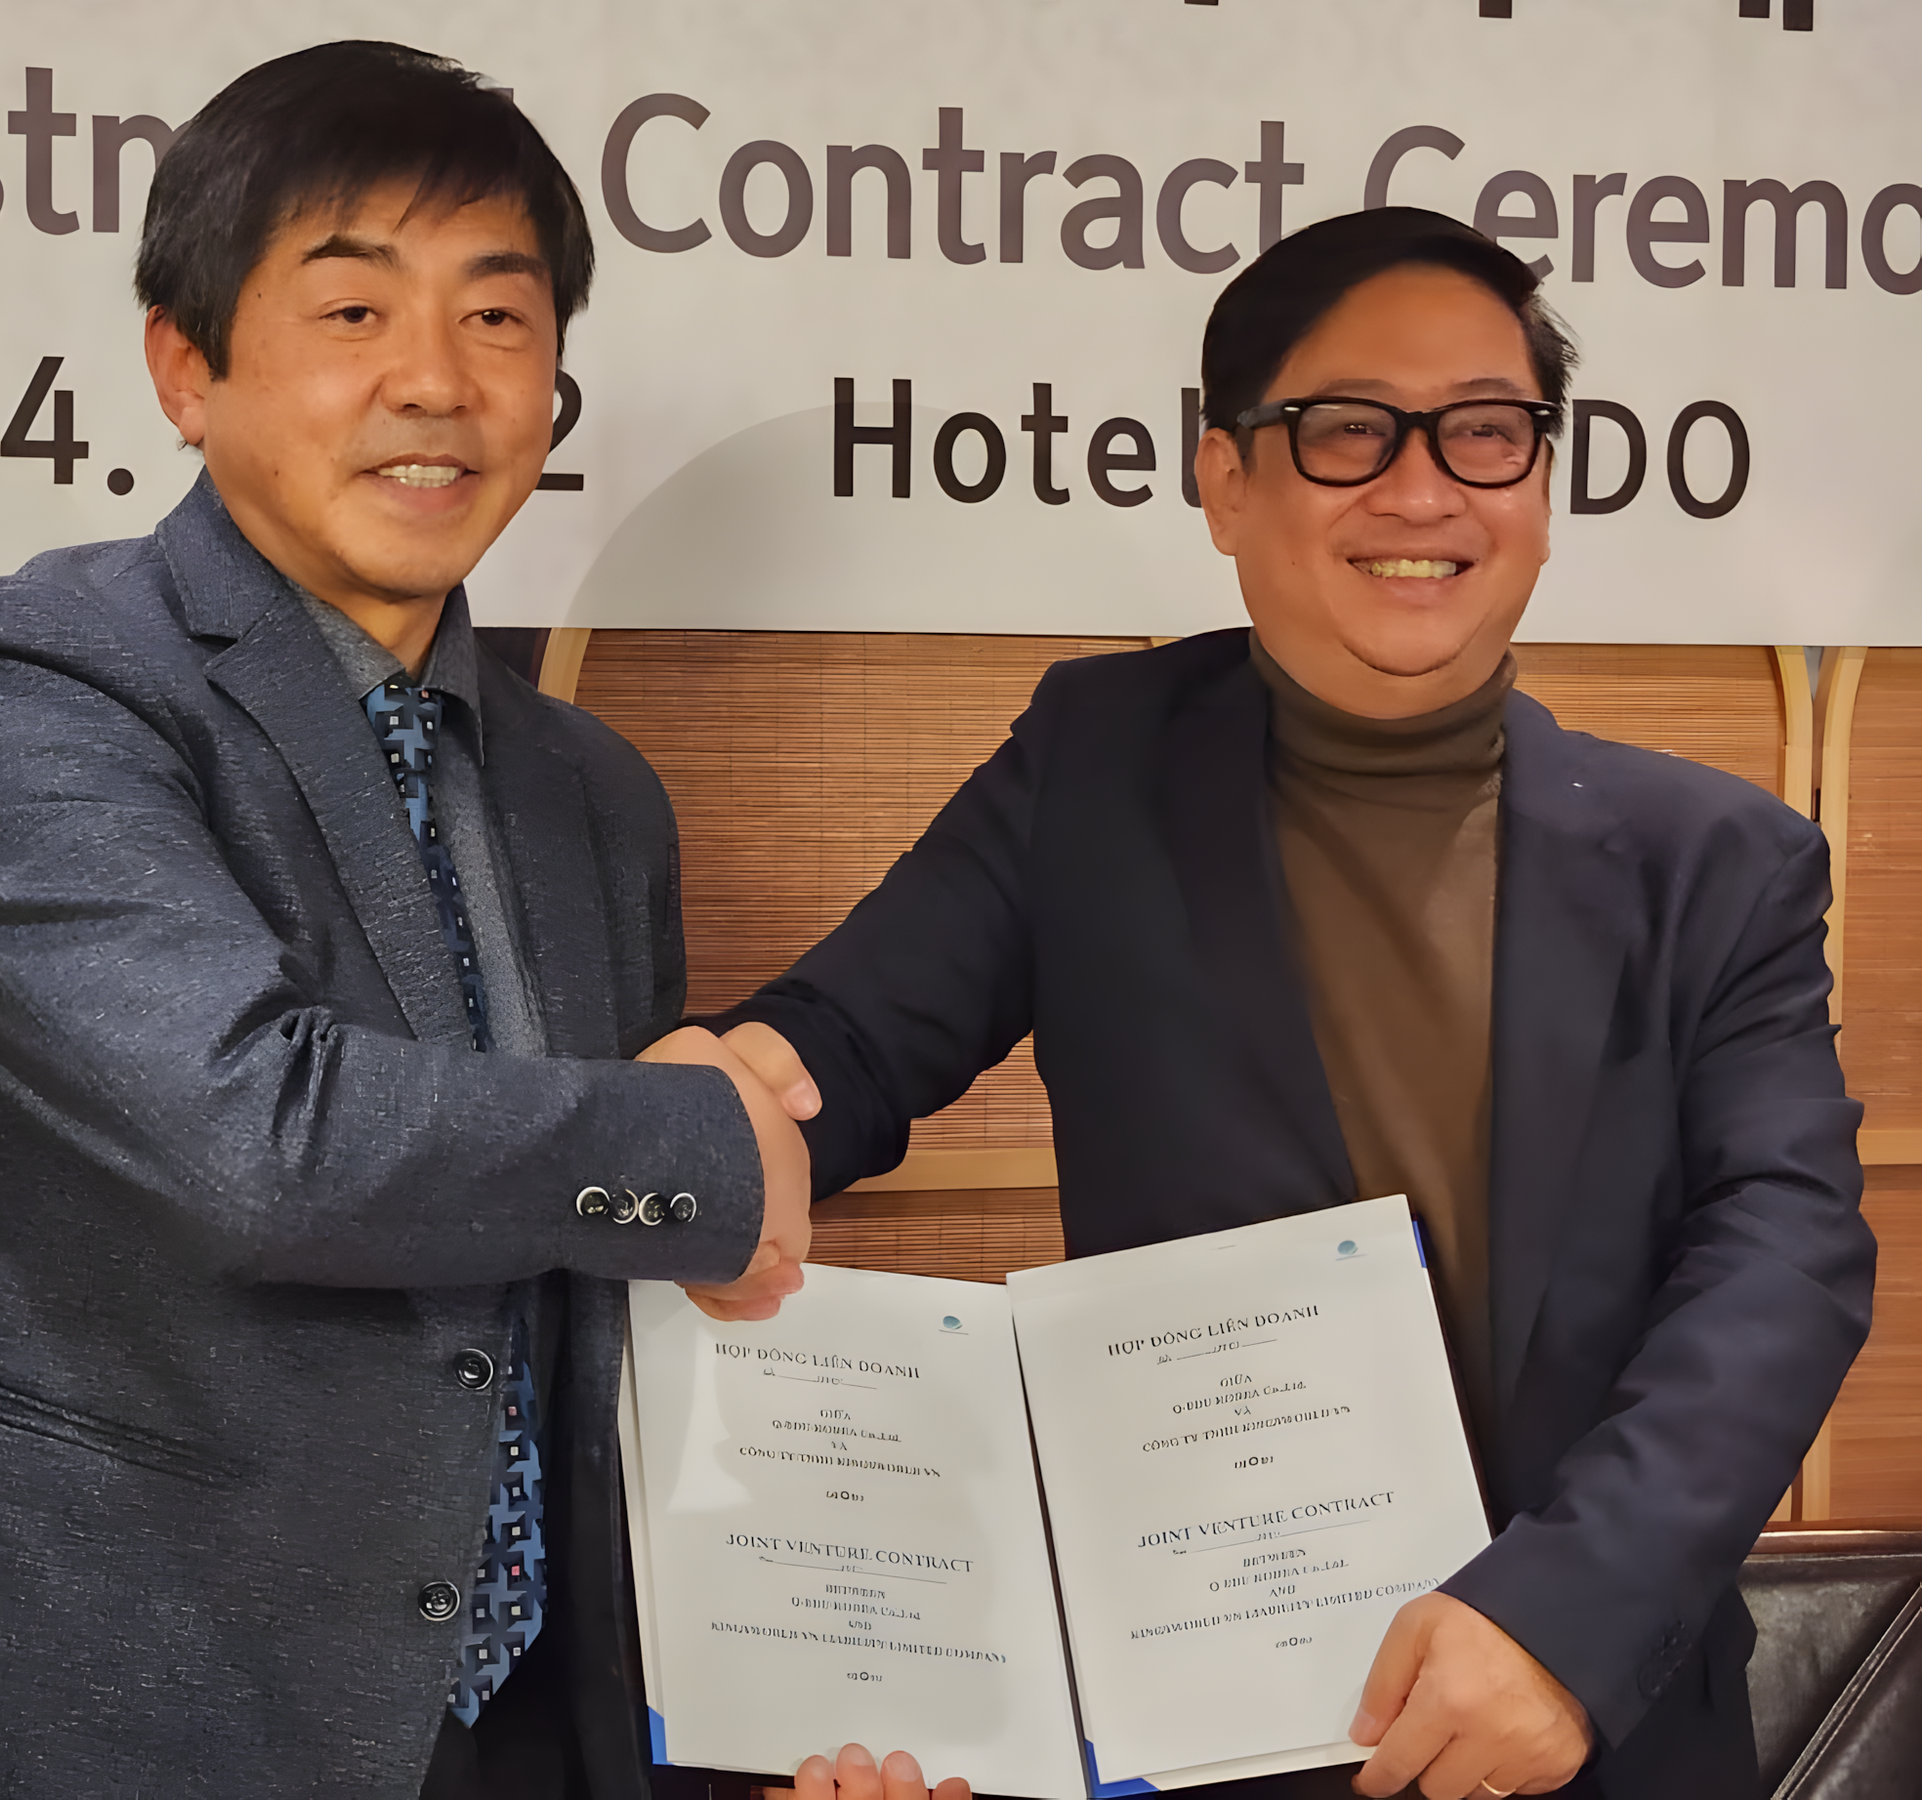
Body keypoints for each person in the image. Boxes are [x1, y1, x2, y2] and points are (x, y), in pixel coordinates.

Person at [0, 41, 814, 1800]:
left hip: (499, 1734)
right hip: (84, 1721)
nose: (436, 383)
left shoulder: (594, 793)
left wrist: (746, 1720)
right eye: (353, 311)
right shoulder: (33, 680)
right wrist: (703, 1148)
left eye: (498, 318)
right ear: (186, 364)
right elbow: (255, 1138)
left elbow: (570, 1290)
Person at [678, 208, 1874, 1800]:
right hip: (1211, 1725)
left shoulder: (1718, 859)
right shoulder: (1093, 763)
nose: (1423, 489)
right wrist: (726, 1091)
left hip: (1593, 1724)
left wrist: (1568, 1621)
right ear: (1225, 477)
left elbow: (1784, 1253)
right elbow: (848, 1038)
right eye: (1346, 428)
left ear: (1543, 481)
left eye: (1487, 430)